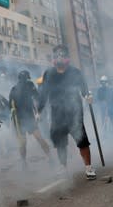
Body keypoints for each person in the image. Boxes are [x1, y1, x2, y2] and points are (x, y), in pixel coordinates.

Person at [38, 44, 96, 180]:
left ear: (67, 57)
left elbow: (84, 88)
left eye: (62, 55)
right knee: (60, 142)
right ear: (53, 58)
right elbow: (43, 94)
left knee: (82, 141)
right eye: (56, 55)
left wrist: (88, 96)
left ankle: (88, 168)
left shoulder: (75, 72)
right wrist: (39, 111)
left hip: (74, 113)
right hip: (57, 113)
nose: (59, 58)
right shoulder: (49, 73)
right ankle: (63, 167)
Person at [9, 70, 51, 170]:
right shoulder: (17, 88)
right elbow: (11, 106)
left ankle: (49, 157)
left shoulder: (25, 86)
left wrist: (37, 112)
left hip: (26, 118)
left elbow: (36, 98)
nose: (24, 81)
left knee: (35, 139)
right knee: (26, 142)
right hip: (21, 120)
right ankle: (25, 162)